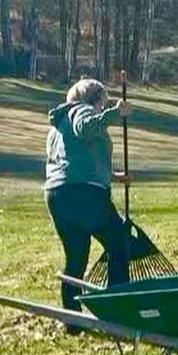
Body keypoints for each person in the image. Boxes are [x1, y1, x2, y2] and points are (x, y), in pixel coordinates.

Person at [44, 78, 131, 309]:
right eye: (103, 102)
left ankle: (73, 319)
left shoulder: (57, 127)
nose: (102, 107)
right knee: (119, 243)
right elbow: (86, 128)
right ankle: (118, 306)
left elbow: (75, 162)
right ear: (98, 100)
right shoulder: (82, 110)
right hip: (85, 195)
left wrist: (115, 177)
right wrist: (115, 113)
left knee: (76, 259)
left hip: (57, 196)